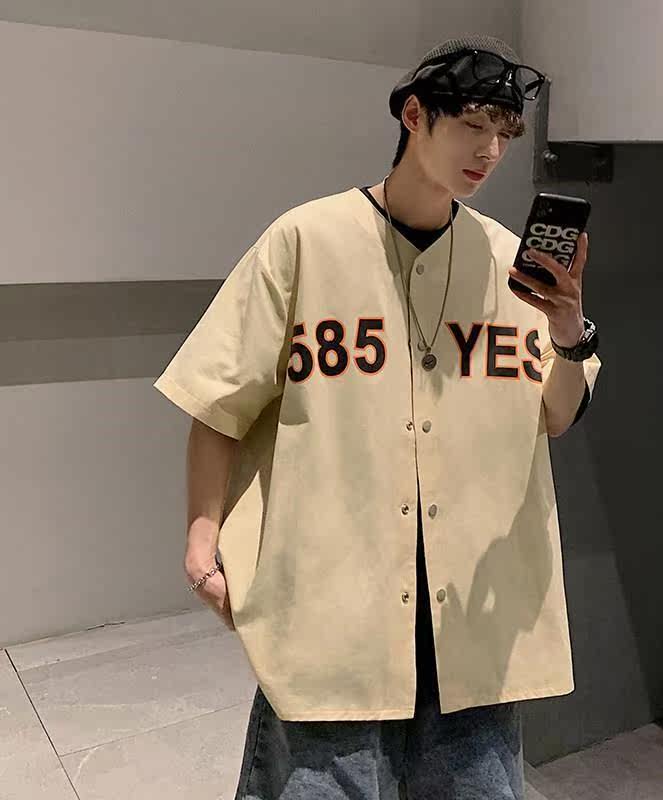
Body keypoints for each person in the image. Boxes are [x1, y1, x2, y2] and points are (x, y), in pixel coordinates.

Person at [154, 33, 602, 800]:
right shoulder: (306, 241)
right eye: (473, 125)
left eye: (504, 132)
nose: (490, 150)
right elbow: (219, 403)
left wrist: (568, 331)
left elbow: (558, 414)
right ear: (414, 116)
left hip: (471, 630)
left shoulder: (509, 264)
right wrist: (202, 541)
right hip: (334, 614)